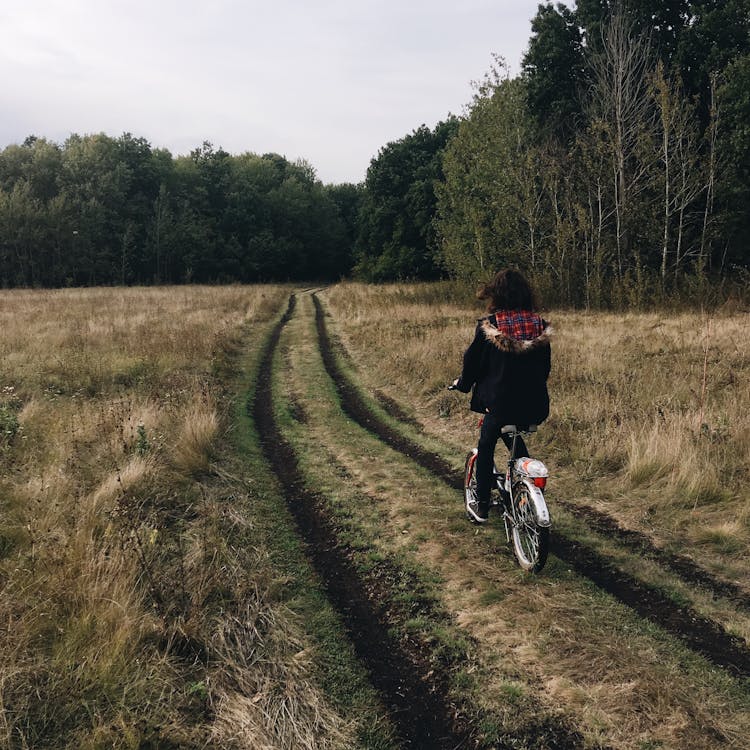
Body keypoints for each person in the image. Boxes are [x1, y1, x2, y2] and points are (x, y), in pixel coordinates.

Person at [453, 269, 552, 524]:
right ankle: (525, 488)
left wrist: (463, 385)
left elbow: (471, 363)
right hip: (535, 405)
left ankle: (482, 505)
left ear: (496, 294)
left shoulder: (490, 326)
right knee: (514, 437)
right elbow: (545, 369)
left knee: (486, 445)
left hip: (499, 404)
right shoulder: (539, 325)